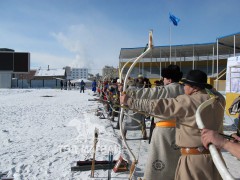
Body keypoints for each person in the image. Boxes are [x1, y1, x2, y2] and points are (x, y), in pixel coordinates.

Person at [120, 69, 226, 180]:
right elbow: (213, 92)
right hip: (216, 159)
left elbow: (157, 106)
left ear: (194, 87)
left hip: (194, 161)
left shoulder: (188, 101)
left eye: (186, 85)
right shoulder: (220, 99)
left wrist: (129, 101)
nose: (183, 87)